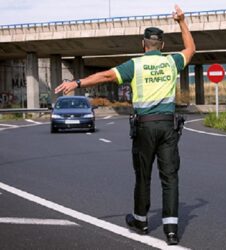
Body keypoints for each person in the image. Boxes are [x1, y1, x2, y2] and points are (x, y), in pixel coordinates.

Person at [54, 5, 195, 245]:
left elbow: (106, 76)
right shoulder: (172, 62)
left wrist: (77, 82)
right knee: (169, 177)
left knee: (143, 175)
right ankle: (171, 230)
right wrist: (181, 21)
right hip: (168, 127)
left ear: (143, 44)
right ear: (161, 45)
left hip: (145, 127)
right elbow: (191, 48)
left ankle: (141, 221)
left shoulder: (135, 65)